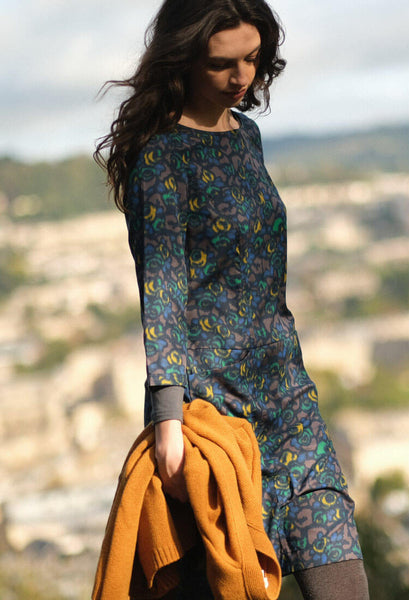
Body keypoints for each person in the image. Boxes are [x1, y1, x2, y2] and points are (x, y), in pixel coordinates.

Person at [95, 1, 369, 598]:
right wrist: (168, 422)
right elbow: (163, 290)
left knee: (344, 577)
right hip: (212, 415)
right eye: (222, 63)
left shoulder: (248, 136)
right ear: (184, 59)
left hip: (288, 400)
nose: (242, 77)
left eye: (252, 58)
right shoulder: (161, 158)